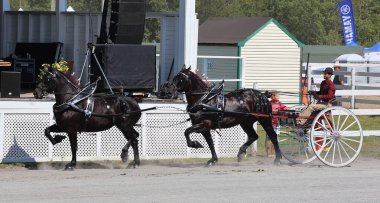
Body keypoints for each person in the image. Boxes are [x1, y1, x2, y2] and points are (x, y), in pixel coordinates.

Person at [266, 90, 287, 158]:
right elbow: (267, 111)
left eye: (278, 95)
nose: (277, 96)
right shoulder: (268, 103)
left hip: (276, 123)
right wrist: (274, 111)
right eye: (275, 95)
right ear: (272, 96)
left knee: (275, 139)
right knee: (268, 138)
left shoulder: (280, 103)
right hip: (269, 123)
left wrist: (282, 111)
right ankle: (268, 153)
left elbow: (285, 109)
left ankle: (274, 152)